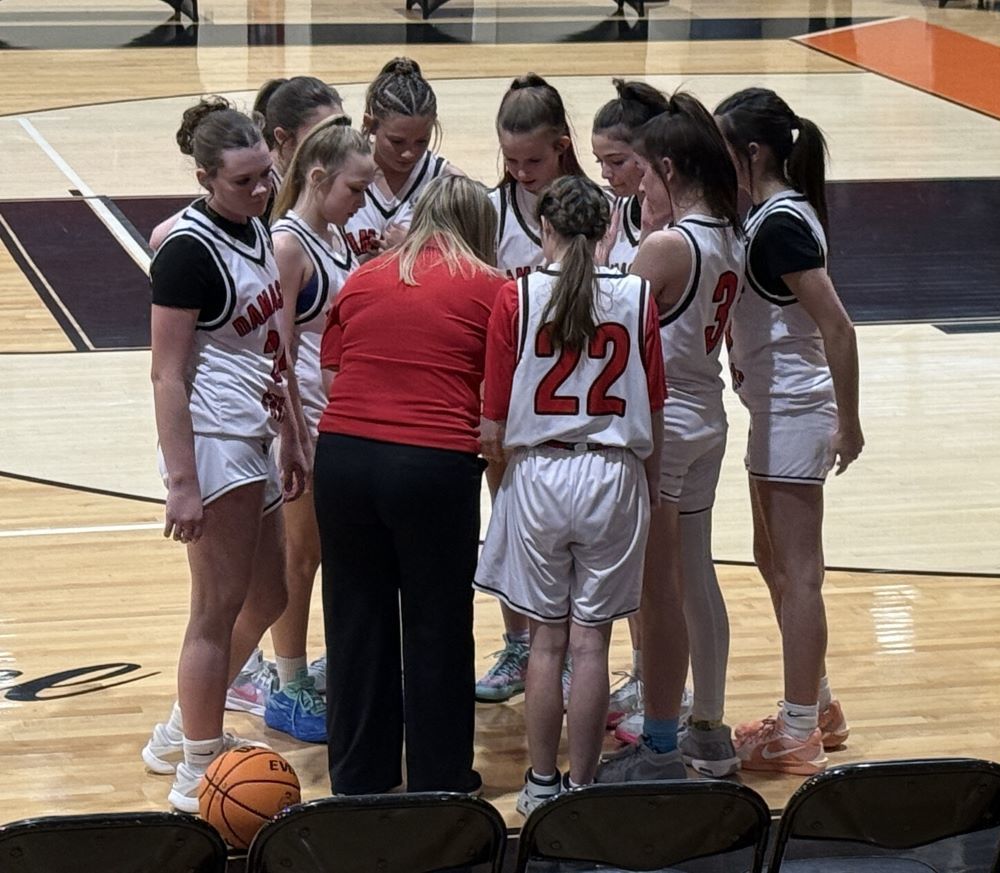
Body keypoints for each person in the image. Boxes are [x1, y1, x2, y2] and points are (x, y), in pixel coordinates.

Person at [475, 175, 665, 813]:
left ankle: (539, 785)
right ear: (609, 228)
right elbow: (657, 408)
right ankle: (582, 791)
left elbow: (493, 423)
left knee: (546, 641)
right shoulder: (639, 297)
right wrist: (653, 486)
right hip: (614, 474)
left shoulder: (516, 296)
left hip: (540, 475)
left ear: (544, 231)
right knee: (593, 644)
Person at [314, 175, 506, 794]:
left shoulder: (364, 277)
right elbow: (497, 397)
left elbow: (333, 368)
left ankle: (358, 777)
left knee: (354, 619)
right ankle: (440, 778)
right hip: (432, 465)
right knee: (437, 623)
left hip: (342, 458)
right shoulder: (495, 288)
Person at [141, 97, 306, 812]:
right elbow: (166, 375)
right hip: (211, 448)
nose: (262, 190)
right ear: (207, 177)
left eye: (266, 176)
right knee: (216, 607)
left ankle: (180, 726)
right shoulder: (186, 252)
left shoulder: (257, 227)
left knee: (269, 595)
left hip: (254, 436)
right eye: (244, 181)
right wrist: (182, 482)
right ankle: (197, 768)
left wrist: (293, 428)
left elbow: (271, 343)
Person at [595, 92, 746, 782]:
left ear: (670, 169)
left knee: (660, 590)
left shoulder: (667, 245)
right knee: (695, 574)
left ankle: (660, 740)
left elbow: (603, 324)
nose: (641, 190)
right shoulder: (728, 233)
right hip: (707, 412)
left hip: (667, 425)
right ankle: (709, 727)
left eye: (648, 177)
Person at [715, 87, 862, 774]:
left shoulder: (780, 226)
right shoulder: (765, 217)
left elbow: (837, 324)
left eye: (723, 149)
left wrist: (849, 420)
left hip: (796, 412)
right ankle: (820, 705)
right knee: (773, 563)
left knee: (798, 575)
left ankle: (801, 730)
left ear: (752, 152)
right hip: (772, 413)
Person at [260, 115, 375, 742]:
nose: (361, 202)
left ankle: (308, 669)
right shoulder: (288, 245)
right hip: (301, 423)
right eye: (355, 189)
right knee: (296, 558)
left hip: (335, 418)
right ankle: (288, 682)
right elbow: (274, 352)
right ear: (317, 176)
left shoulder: (332, 237)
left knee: (323, 553)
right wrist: (294, 435)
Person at [476, 73, 588, 706]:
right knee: (512, 528)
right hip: (514, 403)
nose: (522, 172)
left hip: (581, 407)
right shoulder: (490, 212)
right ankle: (522, 645)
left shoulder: (594, 211)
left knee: (574, 542)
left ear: (563, 146)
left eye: (535, 160)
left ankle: (575, 653)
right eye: (511, 160)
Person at [590, 78, 670, 738]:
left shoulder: (668, 225)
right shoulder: (623, 214)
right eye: (601, 165)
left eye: (617, 162)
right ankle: (646, 674)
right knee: (639, 561)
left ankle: (667, 689)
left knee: (664, 568)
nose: (607, 176)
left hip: (660, 412)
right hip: (624, 408)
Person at [150, 77, 343, 250]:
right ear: (284, 138)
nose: (337, 142)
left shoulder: (329, 178)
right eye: (323, 135)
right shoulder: (261, 188)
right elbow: (158, 238)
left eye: (342, 129)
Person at [344, 57, 460, 260]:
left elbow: (474, 262)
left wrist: (417, 250)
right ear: (370, 124)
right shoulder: (339, 172)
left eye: (421, 142)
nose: (410, 153)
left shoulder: (448, 182)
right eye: (397, 142)